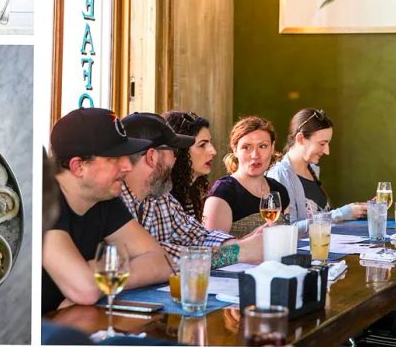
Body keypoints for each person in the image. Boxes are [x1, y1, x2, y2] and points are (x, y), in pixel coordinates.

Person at [42, 108, 170, 313]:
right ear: (78, 166)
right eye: (114, 158)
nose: (128, 166)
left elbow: (163, 262)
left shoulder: (104, 198)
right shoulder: (45, 199)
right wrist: (96, 281)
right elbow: (86, 290)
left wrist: (98, 274)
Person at [119, 112, 266, 269]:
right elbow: (149, 258)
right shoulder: (112, 201)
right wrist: (238, 252)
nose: (176, 158)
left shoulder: (160, 198)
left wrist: (240, 245)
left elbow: (199, 236)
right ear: (152, 157)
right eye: (174, 151)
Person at [268, 108, 367, 237]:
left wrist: (357, 210)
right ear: (301, 138)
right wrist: (342, 214)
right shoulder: (279, 175)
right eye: (322, 144)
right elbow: (286, 231)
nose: (327, 151)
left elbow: (322, 217)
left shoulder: (312, 169)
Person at [204, 116, 290, 237]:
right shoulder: (223, 192)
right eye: (246, 147)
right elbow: (213, 251)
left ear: (272, 148)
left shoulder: (279, 190)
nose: (255, 155)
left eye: (263, 146)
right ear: (235, 150)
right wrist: (248, 241)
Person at [161, 110, 217, 222]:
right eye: (202, 145)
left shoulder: (190, 193)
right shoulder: (163, 197)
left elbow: (197, 237)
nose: (213, 151)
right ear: (180, 150)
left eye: (210, 143)